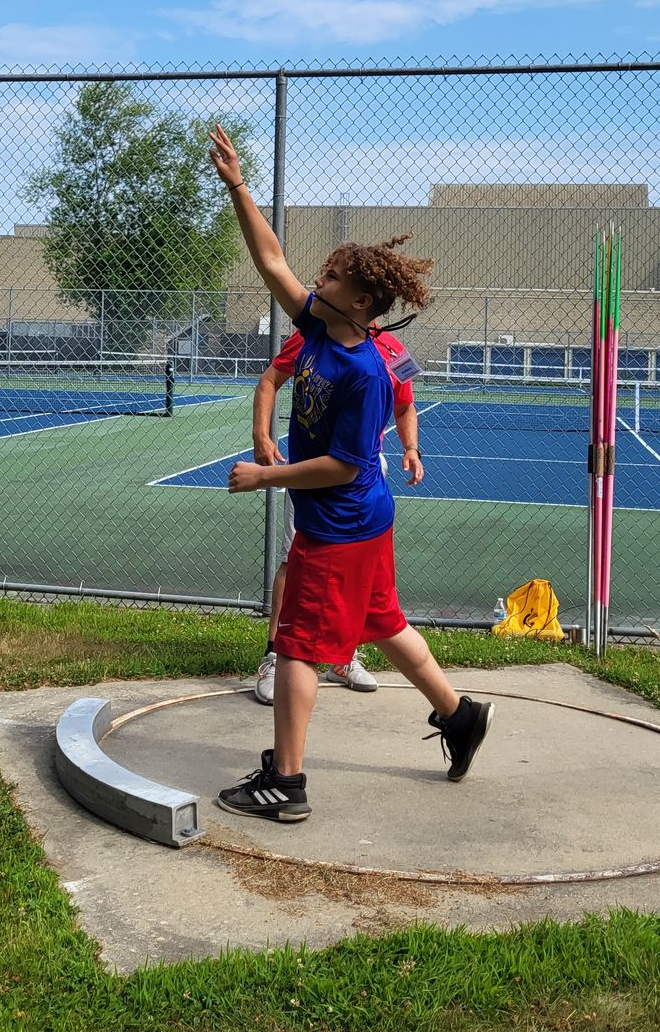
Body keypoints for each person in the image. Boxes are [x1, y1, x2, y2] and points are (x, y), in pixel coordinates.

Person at [207, 124, 493, 824]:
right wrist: (239, 187)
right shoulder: (314, 328)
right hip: (365, 522)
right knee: (384, 623)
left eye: (332, 277)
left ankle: (288, 784)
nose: (317, 280)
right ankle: (460, 718)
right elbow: (272, 262)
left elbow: (341, 464)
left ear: (361, 302)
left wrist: (263, 476)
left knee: (298, 645)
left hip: (339, 526)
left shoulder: (365, 371)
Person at [251, 321, 423, 704]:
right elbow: (269, 380)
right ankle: (276, 655)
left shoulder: (394, 350)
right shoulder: (314, 335)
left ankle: (342, 657)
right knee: (292, 561)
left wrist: (411, 447)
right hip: (313, 473)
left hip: (363, 481)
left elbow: (406, 404)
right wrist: (261, 435)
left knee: (361, 575)